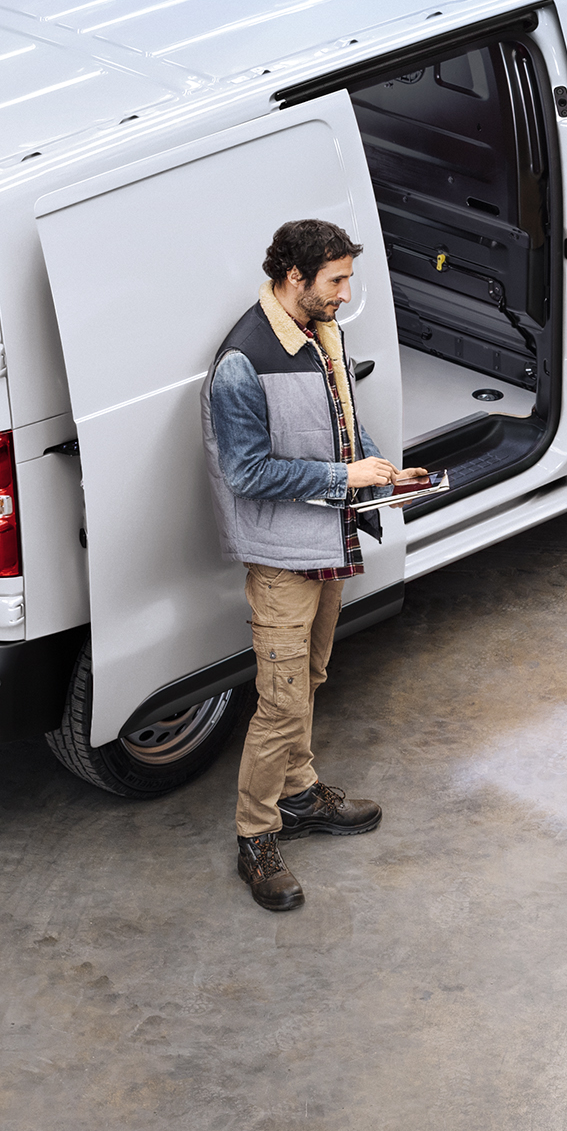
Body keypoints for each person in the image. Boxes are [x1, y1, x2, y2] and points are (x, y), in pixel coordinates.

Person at [204, 217, 419, 911]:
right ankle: (256, 837)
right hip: (282, 560)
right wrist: (343, 479)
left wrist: (383, 471)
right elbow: (245, 472)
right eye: (336, 280)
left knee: (312, 676)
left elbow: (342, 427)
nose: (346, 293)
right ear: (294, 278)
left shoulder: (321, 330)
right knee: (280, 701)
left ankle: (298, 795)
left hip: (326, 542)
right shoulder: (242, 362)